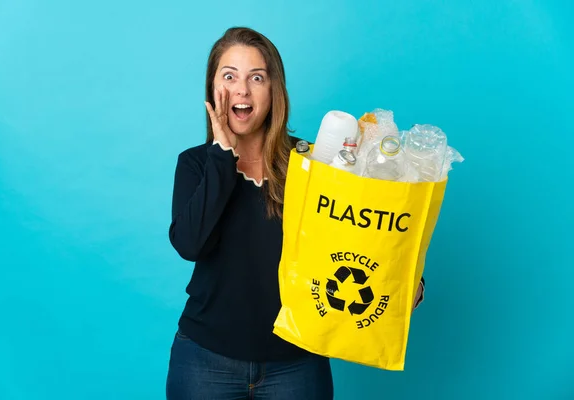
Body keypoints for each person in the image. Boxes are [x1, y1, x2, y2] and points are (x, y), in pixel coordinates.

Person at [165, 26, 425, 400]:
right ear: (213, 90)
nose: (242, 90)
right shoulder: (194, 164)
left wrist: (401, 283)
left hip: (296, 363)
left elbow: (355, 235)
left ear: (274, 91)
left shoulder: (311, 162)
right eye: (229, 76)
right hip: (205, 361)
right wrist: (223, 155)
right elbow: (190, 244)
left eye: (257, 77)